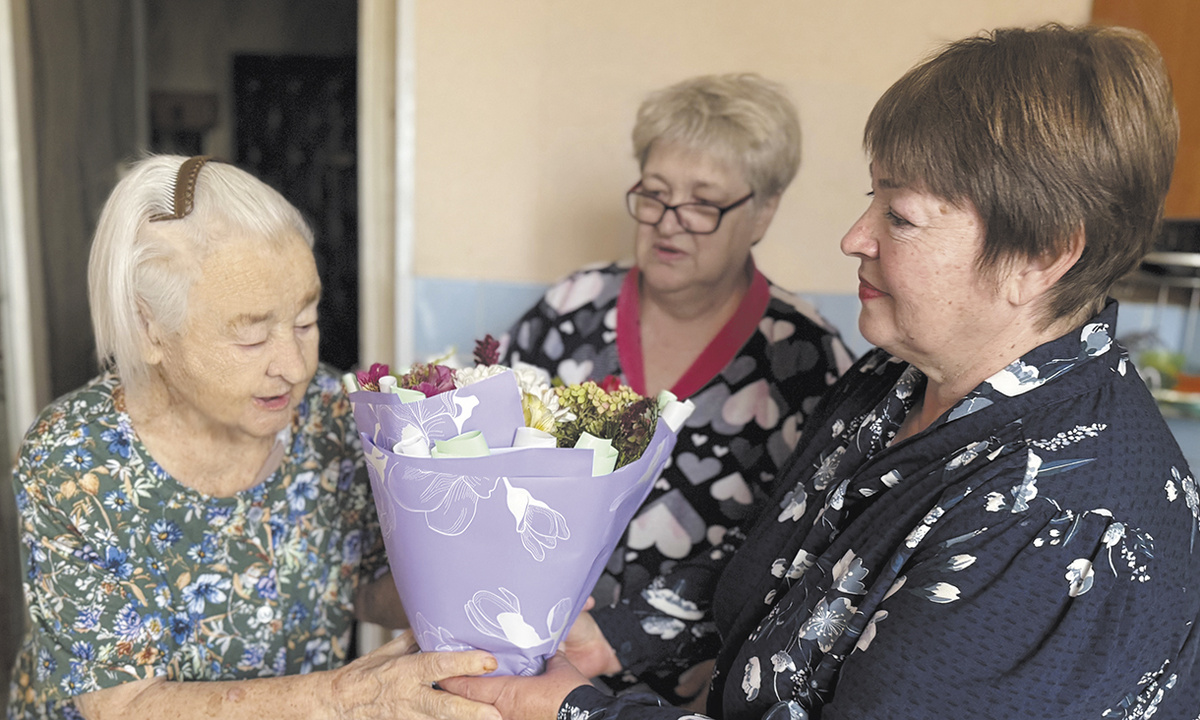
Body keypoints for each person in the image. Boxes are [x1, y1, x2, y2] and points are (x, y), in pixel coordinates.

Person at [444, 24, 1200, 719]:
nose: (854, 237)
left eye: (899, 215)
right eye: (873, 197)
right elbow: (787, 580)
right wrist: (615, 636)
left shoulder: (1059, 522)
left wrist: (580, 712)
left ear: (1040, 256)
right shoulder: (887, 384)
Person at [6, 155, 499, 720]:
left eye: (305, 322)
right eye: (250, 338)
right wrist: (347, 699)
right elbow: (121, 706)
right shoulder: (73, 460)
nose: (293, 366)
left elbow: (363, 581)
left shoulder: (330, 414)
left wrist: (485, 586)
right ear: (148, 329)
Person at [499, 74, 853, 703]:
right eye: (655, 194)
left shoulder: (804, 357)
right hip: (524, 661)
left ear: (763, 211)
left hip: (689, 698)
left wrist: (620, 635)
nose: (669, 223)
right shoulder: (570, 309)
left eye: (702, 203)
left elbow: (797, 548)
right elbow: (496, 460)